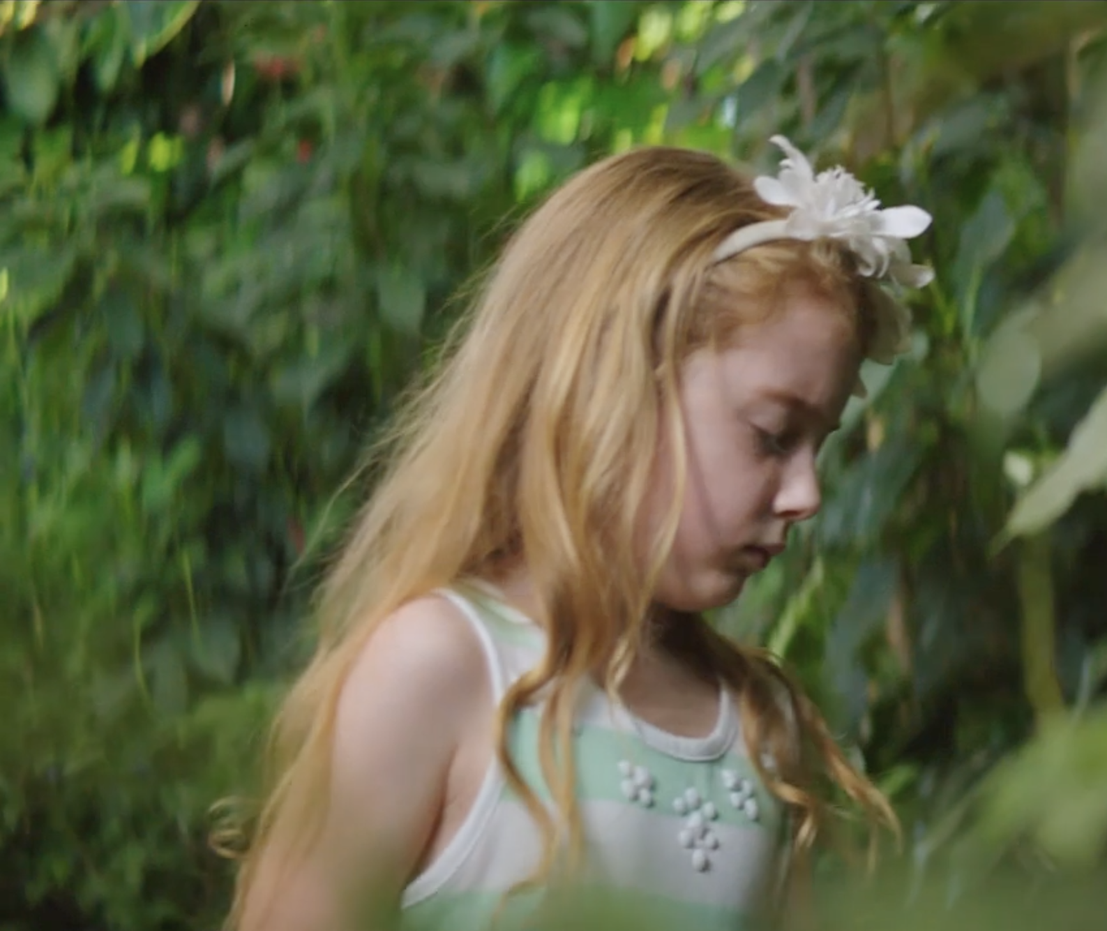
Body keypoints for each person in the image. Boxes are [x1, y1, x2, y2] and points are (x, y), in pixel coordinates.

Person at [218, 135, 934, 931]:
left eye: (820, 444)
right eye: (772, 434)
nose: (807, 493)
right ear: (611, 387)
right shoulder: (443, 670)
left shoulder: (760, 728)